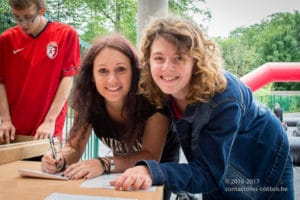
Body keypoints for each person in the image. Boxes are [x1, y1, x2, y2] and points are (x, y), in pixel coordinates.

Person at [110, 17, 295, 200]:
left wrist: (151, 172)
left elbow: (208, 174)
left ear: (196, 61)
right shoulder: (160, 89)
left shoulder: (223, 97)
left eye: (179, 58)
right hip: (217, 166)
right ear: (148, 61)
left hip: (266, 155)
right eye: (159, 58)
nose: (167, 68)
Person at [41, 34, 179, 200]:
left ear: (134, 72)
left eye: (121, 69)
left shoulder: (153, 100)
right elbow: (74, 148)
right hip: (118, 171)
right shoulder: (89, 102)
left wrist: (104, 163)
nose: (112, 80)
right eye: (103, 71)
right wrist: (58, 159)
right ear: (92, 75)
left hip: (158, 172)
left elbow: (150, 155)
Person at [0, 0, 80, 144]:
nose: (23, 23)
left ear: (42, 11)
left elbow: (68, 79)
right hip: (12, 131)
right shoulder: (6, 40)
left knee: (45, 167)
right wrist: (5, 120)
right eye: (17, 17)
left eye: (28, 17)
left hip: (47, 130)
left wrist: (49, 121)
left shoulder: (66, 35)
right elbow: (1, 82)